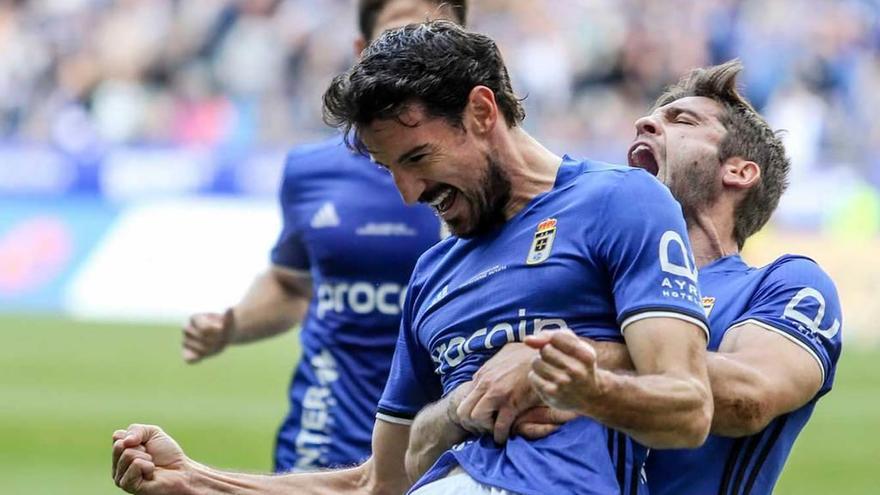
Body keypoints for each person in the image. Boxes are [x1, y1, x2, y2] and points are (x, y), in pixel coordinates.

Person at [112, 21, 714, 495]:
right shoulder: (432, 274)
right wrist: (198, 480)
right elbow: (380, 481)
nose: (407, 194)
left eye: (418, 158)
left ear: (482, 113)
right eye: (386, 169)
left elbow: (688, 409)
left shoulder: (620, 201)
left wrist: (580, 387)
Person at [405, 60, 843, 495]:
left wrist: (575, 365)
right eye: (650, 117)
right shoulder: (589, 281)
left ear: (739, 170)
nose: (643, 123)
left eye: (681, 120)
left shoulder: (784, 284)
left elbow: (751, 395)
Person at [180, 0, 467, 473]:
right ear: (362, 51)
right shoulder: (311, 172)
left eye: (435, 35)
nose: (420, 52)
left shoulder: (499, 178)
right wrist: (231, 325)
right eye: (400, 35)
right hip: (325, 441)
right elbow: (292, 285)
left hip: (444, 448)